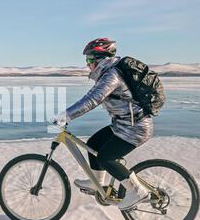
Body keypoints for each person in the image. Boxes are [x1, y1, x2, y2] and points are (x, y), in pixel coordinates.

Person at [54, 38, 153, 210]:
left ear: (101, 59)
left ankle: (137, 191)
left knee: (106, 157)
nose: (88, 64)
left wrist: (67, 115)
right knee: (93, 144)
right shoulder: (108, 74)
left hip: (135, 128)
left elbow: (93, 99)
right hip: (123, 125)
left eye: (90, 60)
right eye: (87, 60)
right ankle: (97, 182)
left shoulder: (112, 75)